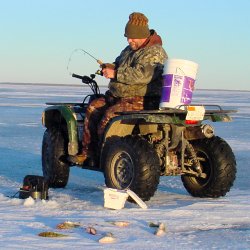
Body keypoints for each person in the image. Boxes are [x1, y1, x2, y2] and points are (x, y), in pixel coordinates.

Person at [71, 12, 168, 164]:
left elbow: (143, 75)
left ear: (142, 35)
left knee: (109, 117)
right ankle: (88, 153)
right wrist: (109, 67)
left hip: (143, 99)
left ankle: (108, 160)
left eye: (132, 37)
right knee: (93, 108)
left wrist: (115, 73)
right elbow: (119, 64)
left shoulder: (154, 52)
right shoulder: (129, 50)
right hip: (119, 96)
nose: (129, 40)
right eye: (127, 37)